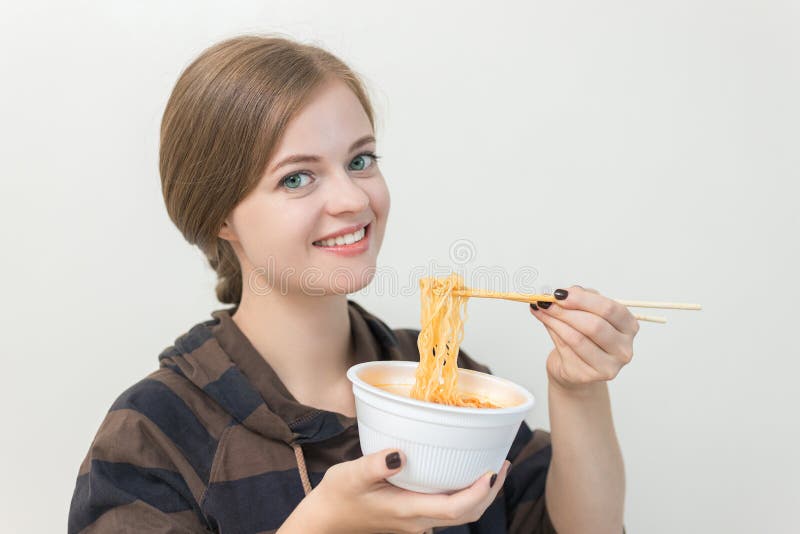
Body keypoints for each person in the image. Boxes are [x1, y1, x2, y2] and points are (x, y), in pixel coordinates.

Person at [68, 34, 634, 534]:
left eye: (361, 161)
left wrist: (578, 389)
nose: (354, 199)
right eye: (297, 177)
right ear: (219, 216)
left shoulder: (437, 373)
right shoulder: (154, 431)